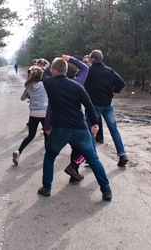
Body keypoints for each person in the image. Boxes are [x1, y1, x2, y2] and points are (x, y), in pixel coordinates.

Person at [38, 57, 112, 201]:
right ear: (65, 71)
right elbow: (89, 105)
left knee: (50, 157)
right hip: (79, 129)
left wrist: (54, 61)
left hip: (60, 129)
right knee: (93, 159)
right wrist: (95, 123)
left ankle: (47, 188)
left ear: (54, 71)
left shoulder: (49, 84)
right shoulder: (77, 86)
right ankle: (106, 190)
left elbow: (44, 73)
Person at [44, 54, 89, 184]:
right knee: (80, 149)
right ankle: (74, 169)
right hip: (77, 125)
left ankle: (47, 186)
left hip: (59, 126)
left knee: (50, 155)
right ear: (73, 72)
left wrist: (47, 126)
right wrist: (70, 59)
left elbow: (50, 108)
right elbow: (85, 69)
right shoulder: (77, 83)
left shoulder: (53, 86)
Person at [84, 49, 128, 167]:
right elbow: (121, 83)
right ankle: (122, 154)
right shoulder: (109, 71)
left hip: (94, 106)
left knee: (90, 130)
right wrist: (114, 91)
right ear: (101, 58)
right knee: (114, 129)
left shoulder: (89, 71)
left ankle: (92, 157)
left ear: (92, 59)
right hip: (107, 105)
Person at [13, 66, 48, 165]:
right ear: (41, 75)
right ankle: (47, 155)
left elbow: (22, 98)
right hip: (45, 113)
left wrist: (30, 95)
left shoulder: (28, 86)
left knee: (31, 135)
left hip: (33, 113)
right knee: (46, 134)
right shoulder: (45, 84)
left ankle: (19, 151)